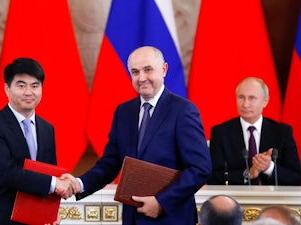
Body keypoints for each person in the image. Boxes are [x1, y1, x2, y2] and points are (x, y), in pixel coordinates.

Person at [63, 46, 212, 225]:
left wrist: (161, 202)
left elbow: (200, 168)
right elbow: (110, 163)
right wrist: (79, 183)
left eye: (148, 70)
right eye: (135, 72)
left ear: (163, 69)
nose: (141, 78)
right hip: (133, 218)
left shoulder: (183, 110)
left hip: (171, 218)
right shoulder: (124, 112)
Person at [0, 58, 72, 225]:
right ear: (7, 89)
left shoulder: (46, 128)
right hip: (0, 218)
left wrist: (51, 211)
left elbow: (49, 170)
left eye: (35, 86)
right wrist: (54, 183)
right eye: (21, 86)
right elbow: (5, 173)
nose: (29, 92)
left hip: (37, 219)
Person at [208, 77, 301, 185]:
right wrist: (248, 173)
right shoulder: (220, 133)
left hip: (274, 199)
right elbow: (212, 176)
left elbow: (296, 177)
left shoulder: (282, 132)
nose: (245, 104)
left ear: (265, 101)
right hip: (234, 199)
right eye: (241, 97)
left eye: (252, 98)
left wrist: (269, 167)